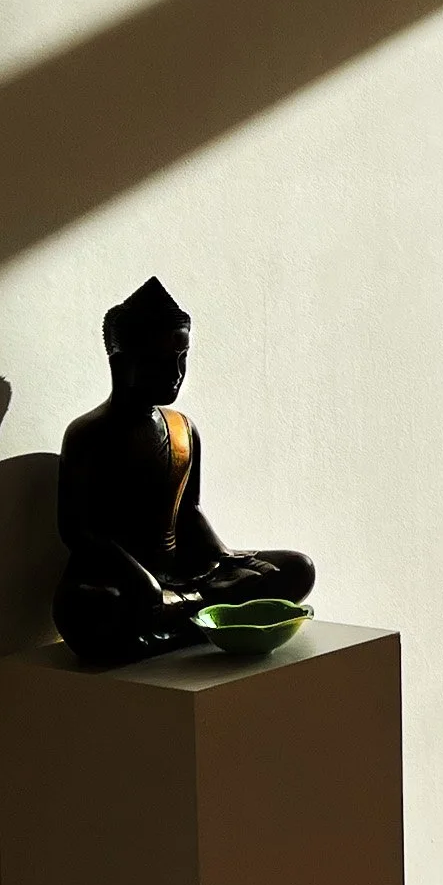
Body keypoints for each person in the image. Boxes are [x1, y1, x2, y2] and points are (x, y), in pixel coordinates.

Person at [53, 277, 315, 662]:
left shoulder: (182, 429)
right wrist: (140, 579)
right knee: (92, 610)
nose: (175, 372)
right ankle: (201, 620)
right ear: (121, 362)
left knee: (296, 570)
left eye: (182, 358)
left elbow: (188, 510)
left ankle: (178, 622)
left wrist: (224, 556)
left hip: (182, 572)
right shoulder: (88, 434)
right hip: (119, 581)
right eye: (160, 361)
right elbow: (78, 531)